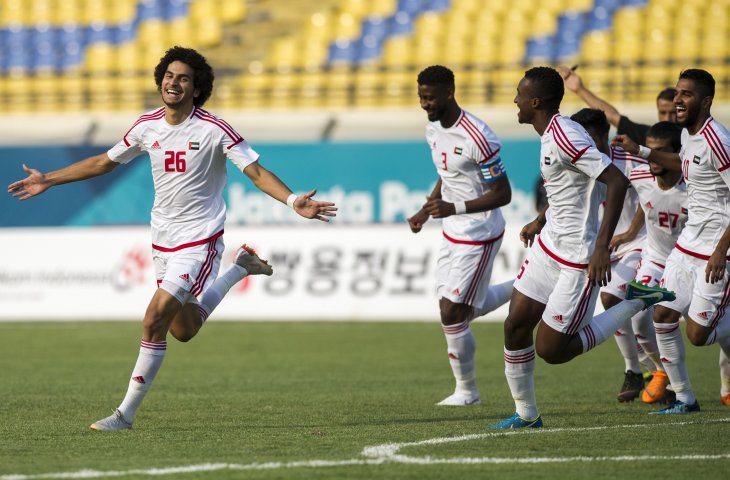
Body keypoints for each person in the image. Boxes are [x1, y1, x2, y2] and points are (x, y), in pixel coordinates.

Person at [7, 46, 337, 430]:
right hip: (162, 239)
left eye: (183, 78)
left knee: (153, 320)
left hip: (200, 240)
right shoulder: (147, 126)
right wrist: (48, 179)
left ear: (197, 89)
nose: (173, 82)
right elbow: (103, 162)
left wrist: (294, 199)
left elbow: (256, 171)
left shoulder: (215, 129)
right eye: (168, 75)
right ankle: (239, 269)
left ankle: (123, 415)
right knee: (184, 330)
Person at [489, 67, 675, 429]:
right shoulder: (551, 134)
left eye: (519, 94)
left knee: (552, 351)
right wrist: (540, 220)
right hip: (548, 249)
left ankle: (637, 300)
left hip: (578, 259)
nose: (515, 100)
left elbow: (616, 181)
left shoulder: (565, 137)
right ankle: (526, 415)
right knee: (515, 325)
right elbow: (569, 192)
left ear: (536, 102)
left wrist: (602, 248)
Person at [612, 69, 730, 413]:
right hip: (687, 245)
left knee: (699, 335)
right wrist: (642, 152)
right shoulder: (688, 135)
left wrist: (721, 251)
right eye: (678, 93)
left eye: (687, 94)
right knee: (662, 315)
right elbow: (682, 162)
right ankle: (685, 399)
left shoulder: (718, 140)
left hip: (715, 249)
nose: (678, 99)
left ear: (706, 101)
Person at [408, 65, 514, 406]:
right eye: (421, 97)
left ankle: (467, 392)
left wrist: (455, 208)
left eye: (430, 97)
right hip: (452, 231)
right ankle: (526, 286)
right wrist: (428, 209)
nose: (425, 104)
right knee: (456, 310)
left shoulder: (478, 137)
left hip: (480, 231)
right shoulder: (432, 130)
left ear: (449, 93)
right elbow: (445, 174)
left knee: (453, 314)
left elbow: (502, 193)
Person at [569, 108, 652, 403]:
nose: (585, 144)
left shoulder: (628, 159)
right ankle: (646, 370)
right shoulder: (580, 162)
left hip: (638, 242)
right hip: (603, 247)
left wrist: (630, 231)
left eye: (590, 137)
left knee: (613, 298)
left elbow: (650, 195)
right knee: (630, 308)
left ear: (604, 135)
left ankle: (640, 370)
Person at [623, 121, 686, 404]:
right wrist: (629, 232)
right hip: (657, 258)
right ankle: (664, 375)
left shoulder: (696, 186)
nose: (652, 157)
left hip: (689, 262)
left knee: (706, 330)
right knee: (637, 315)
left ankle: (724, 383)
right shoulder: (638, 176)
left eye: (660, 152)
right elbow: (643, 203)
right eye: (649, 149)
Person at [556, 65, 676, 145]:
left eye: (672, 113)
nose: (667, 118)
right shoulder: (648, 136)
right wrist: (580, 89)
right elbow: (613, 116)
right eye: (663, 112)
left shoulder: (689, 138)